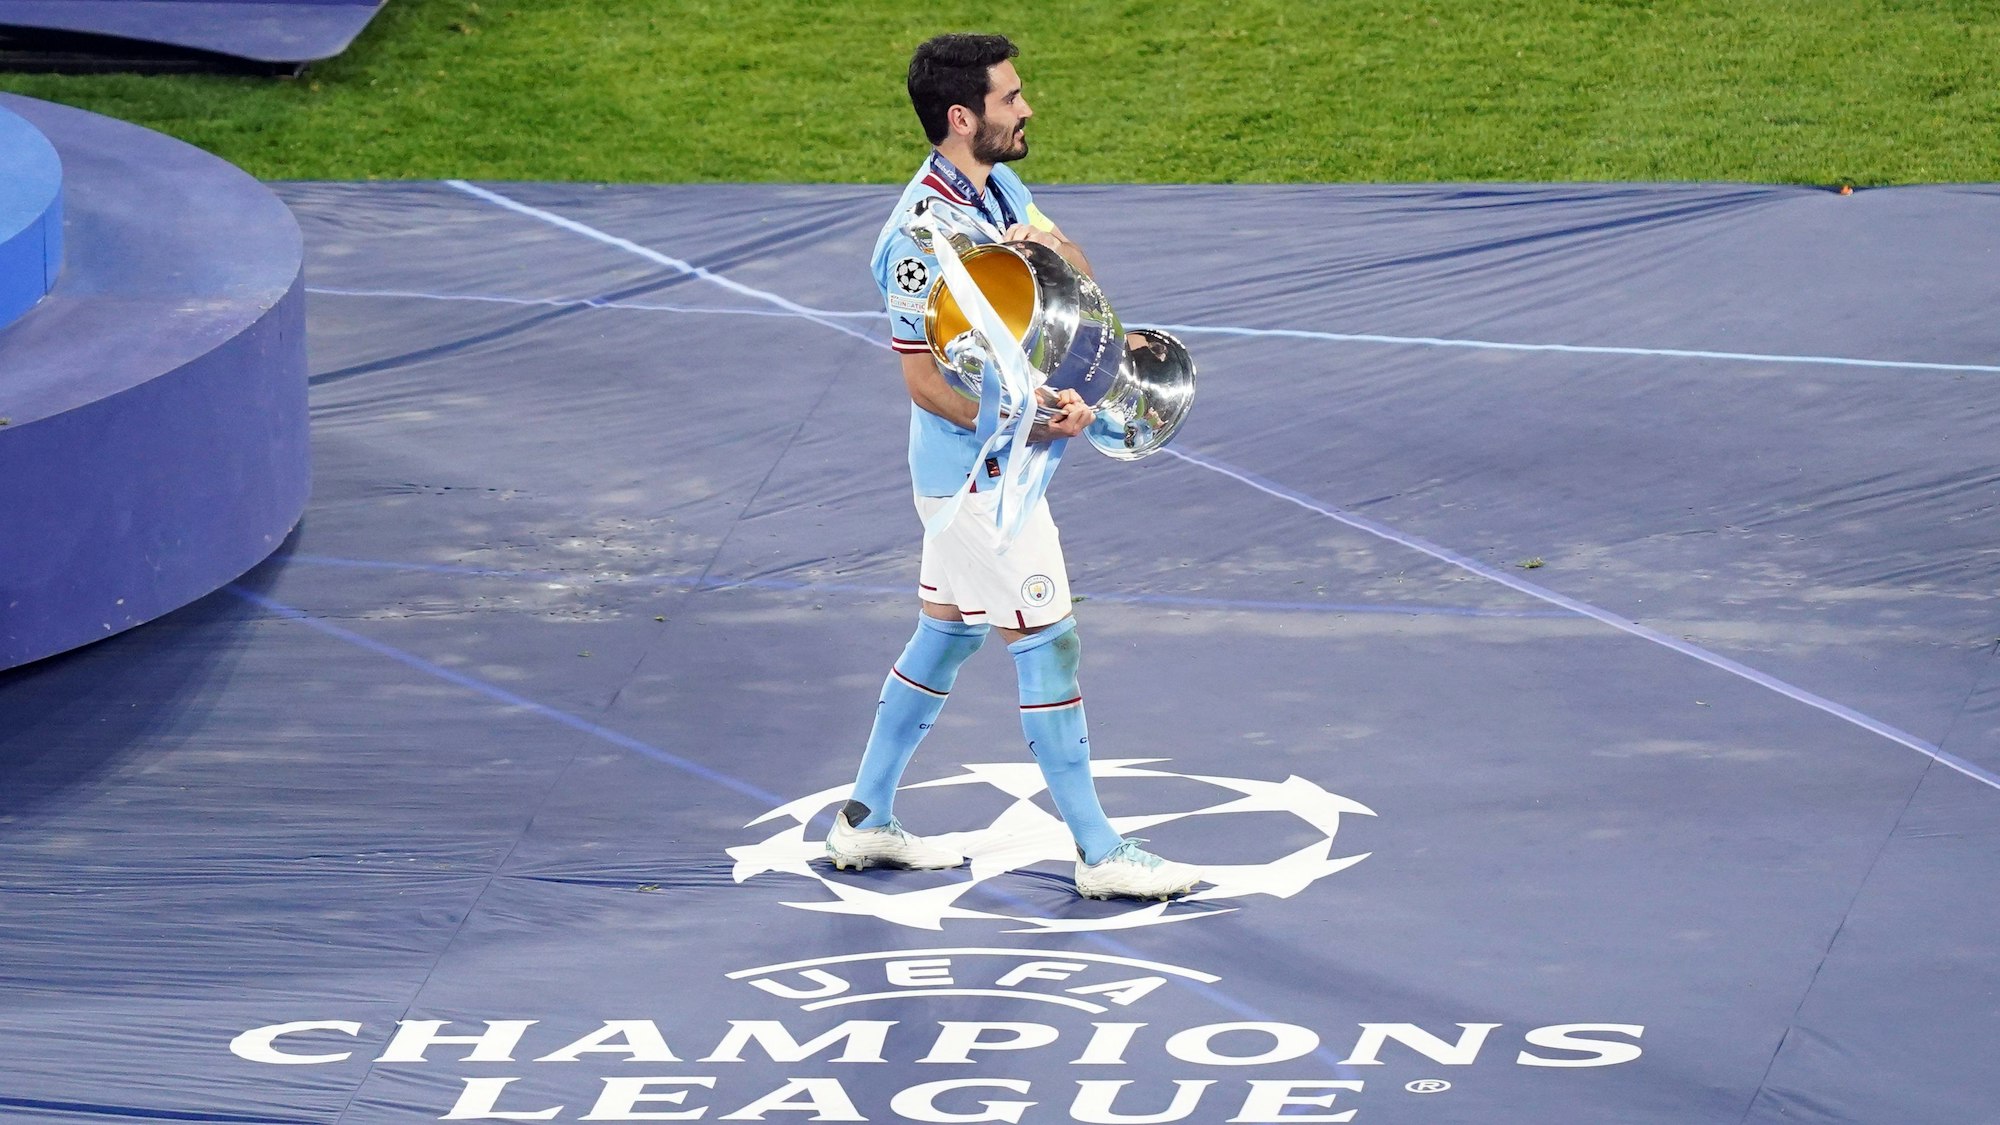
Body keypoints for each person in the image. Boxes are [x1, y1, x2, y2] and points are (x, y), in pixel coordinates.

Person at [826, 32, 1199, 901]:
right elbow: (924, 381)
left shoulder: (999, 187)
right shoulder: (918, 241)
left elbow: (1079, 284)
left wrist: (1054, 255)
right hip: (978, 482)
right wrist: (1028, 421)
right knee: (1048, 642)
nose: (1027, 108)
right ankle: (1100, 851)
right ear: (963, 117)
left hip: (1000, 468)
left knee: (948, 632)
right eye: (1010, 98)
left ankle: (864, 820)